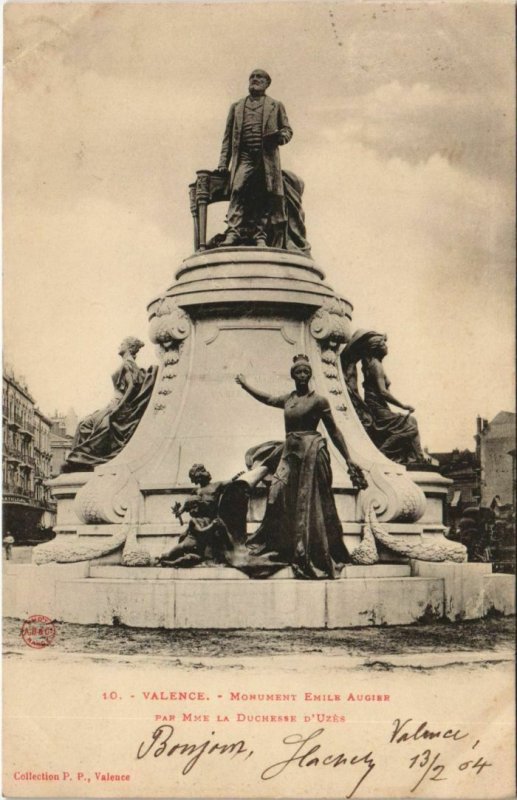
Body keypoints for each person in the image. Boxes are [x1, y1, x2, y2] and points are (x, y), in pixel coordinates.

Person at [235, 355, 368, 579]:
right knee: (277, 496)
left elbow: (334, 430)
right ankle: (286, 545)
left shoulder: (319, 401)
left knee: (311, 503)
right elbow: (267, 399)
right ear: (293, 376)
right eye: (298, 372)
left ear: (310, 375)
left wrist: (348, 458)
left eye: (306, 372)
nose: (302, 376)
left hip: (312, 454)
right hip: (290, 454)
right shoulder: (289, 399)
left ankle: (312, 550)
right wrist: (246, 385)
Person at [216, 69, 292, 246]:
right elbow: (227, 137)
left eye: (260, 77)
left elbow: (287, 129)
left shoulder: (276, 105)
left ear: (267, 83)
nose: (255, 80)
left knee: (264, 194)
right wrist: (222, 163)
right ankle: (233, 232)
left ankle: (260, 236)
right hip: (244, 157)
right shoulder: (237, 107)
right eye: (252, 77)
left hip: (266, 158)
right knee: (237, 189)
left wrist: (281, 137)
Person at [63, 336, 157, 471]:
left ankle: (82, 460)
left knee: (85, 424)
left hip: (116, 404)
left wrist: (119, 407)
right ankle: (81, 460)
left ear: (129, 348)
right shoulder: (128, 364)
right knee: (85, 423)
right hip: (113, 404)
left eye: (122, 343)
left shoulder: (128, 363)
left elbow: (133, 385)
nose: (119, 345)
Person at [341, 330, 426, 465]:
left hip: (378, 405)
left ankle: (415, 457)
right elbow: (383, 392)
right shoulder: (376, 365)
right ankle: (381, 453)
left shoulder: (372, 364)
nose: (386, 347)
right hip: (377, 408)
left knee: (412, 421)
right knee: (411, 428)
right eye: (383, 344)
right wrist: (403, 406)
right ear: (376, 348)